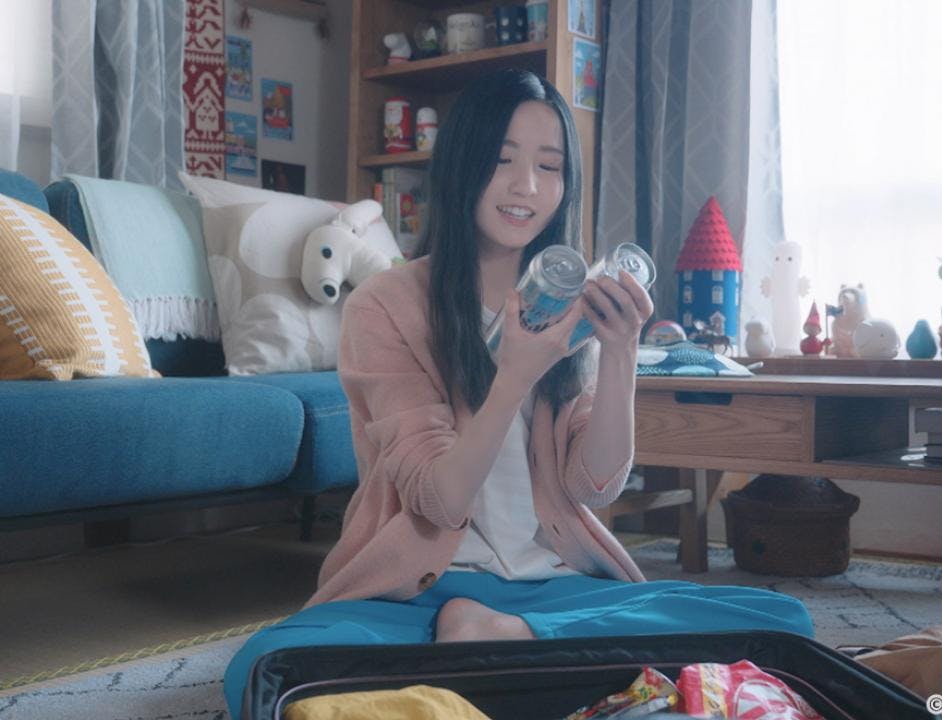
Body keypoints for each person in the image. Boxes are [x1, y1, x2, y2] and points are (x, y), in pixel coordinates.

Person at [222, 69, 812, 718]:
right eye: (503, 160)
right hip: (419, 592)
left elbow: (593, 486)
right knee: (265, 667)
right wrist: (512, 378)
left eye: (549, 166)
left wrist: (620, 352)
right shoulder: (385, 306)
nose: (527, 185)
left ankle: (506, 648)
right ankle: (544, 669)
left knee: (783, 621)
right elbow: (438, 501)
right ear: (462, 164)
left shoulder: (579, 305)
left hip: (554, 587)